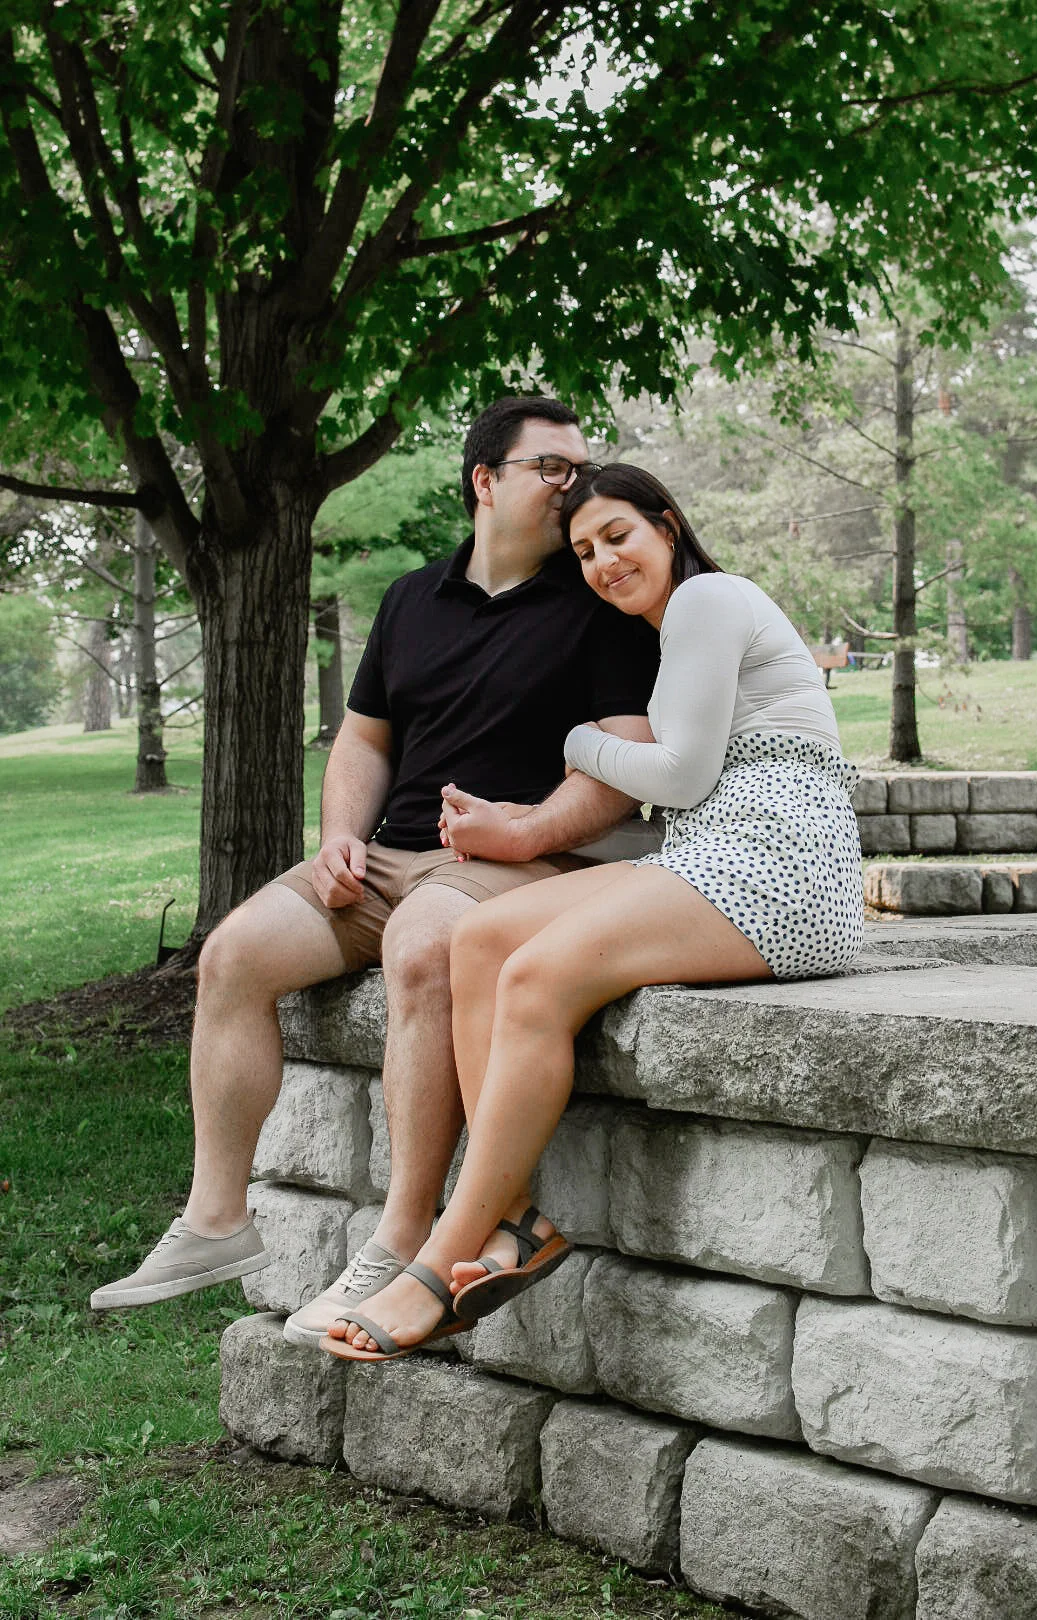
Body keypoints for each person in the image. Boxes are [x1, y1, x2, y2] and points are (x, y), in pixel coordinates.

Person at [90, 402, 660, 1343]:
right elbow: (363, 741)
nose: (577, 485)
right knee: (232, 953)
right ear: (485, 480)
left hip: (517, 857)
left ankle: (401, 1240)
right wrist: (337, 837)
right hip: (388, 855)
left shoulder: (599, 601)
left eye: (582, 466)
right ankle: (216, 1220)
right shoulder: (409, 600)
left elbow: (623, 765)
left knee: (424, 944)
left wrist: (522, 834)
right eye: (553, 467)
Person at [321, 463, 863, 1361]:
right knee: (480, 937)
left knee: (537, 975)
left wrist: (575, 739)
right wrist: (520, 826)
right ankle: (514, 1221)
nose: (604, 563)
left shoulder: (708, 599)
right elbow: (680, 797)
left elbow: (681, 774)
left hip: (781, 863)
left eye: (618, 536)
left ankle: (443, 1255)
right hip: (713, 852)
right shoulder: (667, 632)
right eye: (582, 552)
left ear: (667, 524)